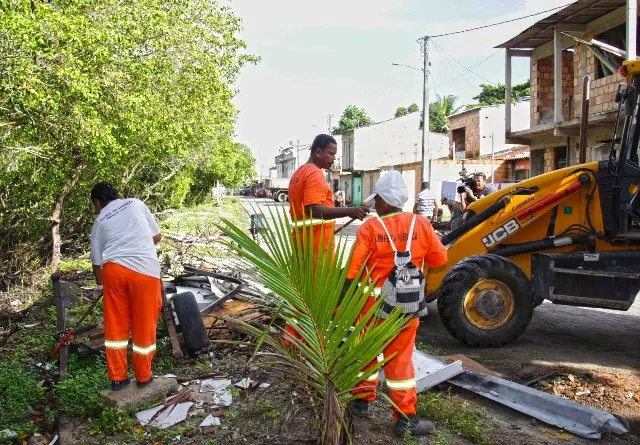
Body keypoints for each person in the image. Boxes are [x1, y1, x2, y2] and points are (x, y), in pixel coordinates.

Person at [346, 171, 448, 437]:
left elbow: (352, 272)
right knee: (400, 361)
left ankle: (360, 403)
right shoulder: (421, 224)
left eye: (376, 199)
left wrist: (342, 304)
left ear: (384, 200)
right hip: (406, 307)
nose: (375, 205)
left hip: (371, 307)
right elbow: (440, 260)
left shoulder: (370, 228)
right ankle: (405, 419)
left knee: (366, 353)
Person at [89, 182, 163, 391]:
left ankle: (118, 378)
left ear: (97, 202)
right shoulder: (136, 203)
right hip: (144, 271)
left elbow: (96, 262)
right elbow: (157, 236)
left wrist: (102, 285)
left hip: (114, 272)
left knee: (115, 326)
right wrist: (137, 243)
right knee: (144, 324)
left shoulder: (99, 221)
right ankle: (143, 376)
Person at [288, 134, 368, 263]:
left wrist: (346, 209)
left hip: (301, 243)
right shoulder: (314, 173)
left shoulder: (299, 173)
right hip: (316, 247)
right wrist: (349, 211)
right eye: (331, 154)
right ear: (318, 152)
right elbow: (313, 209)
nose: (334, 158)